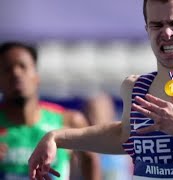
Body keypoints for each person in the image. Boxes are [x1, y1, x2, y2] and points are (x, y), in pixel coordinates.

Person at [29, 0, 173, 179]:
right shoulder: (135, 88)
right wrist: (57, 137)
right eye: (157, 25)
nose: (167, 33)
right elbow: (124, 136)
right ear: (147, 29)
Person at [0, 41, 101, 180]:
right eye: (7, 69)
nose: (16, 73)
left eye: (23, 66)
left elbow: (89, 158)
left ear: (36, 76)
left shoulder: (69, 121)